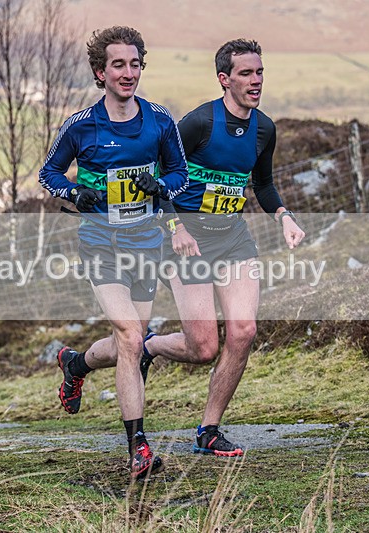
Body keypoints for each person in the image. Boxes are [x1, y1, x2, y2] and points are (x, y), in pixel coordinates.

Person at [142, 39, 306, 456]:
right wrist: (176, 226)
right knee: (202, 348)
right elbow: (158, 182)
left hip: (233, 238)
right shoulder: (197, 124)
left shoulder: (264, 128)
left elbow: (264, 185)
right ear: (224, 79)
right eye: (246, 74)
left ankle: (208, 430)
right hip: (189, 242)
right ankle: (149, 346)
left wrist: (284, 216)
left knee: (244, 330)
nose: (256, 81)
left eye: (260, 72)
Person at [39, 26, 188, 479]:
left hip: (146, 241)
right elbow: (49, 174)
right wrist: (75, 193)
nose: (128, 72)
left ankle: (75, 363)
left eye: (135, 63)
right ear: (100, 72)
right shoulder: (81, 125)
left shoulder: (160, 121)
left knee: (133, 342)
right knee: (128, 336)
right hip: (101, 244)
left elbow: (181, 175)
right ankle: (138, 446)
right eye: (118, 65)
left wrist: (159, 186)